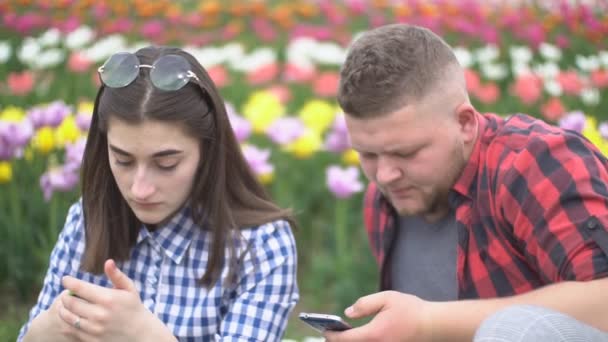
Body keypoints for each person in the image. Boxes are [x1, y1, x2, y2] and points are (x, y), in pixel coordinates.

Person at [325, 24, 608, 341]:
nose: (384, 175)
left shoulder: (536, 165)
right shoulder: (385, 200)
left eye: (405, 152)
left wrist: (429, 323)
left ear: (464, 123)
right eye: (368, 155)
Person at [18, 46, 299, 341]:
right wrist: (53, 324)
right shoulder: (86, 219)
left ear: (208, 150)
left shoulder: (260, 244)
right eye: (123, 160)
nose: (140, 188)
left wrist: (143, 335)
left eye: (166, 164)